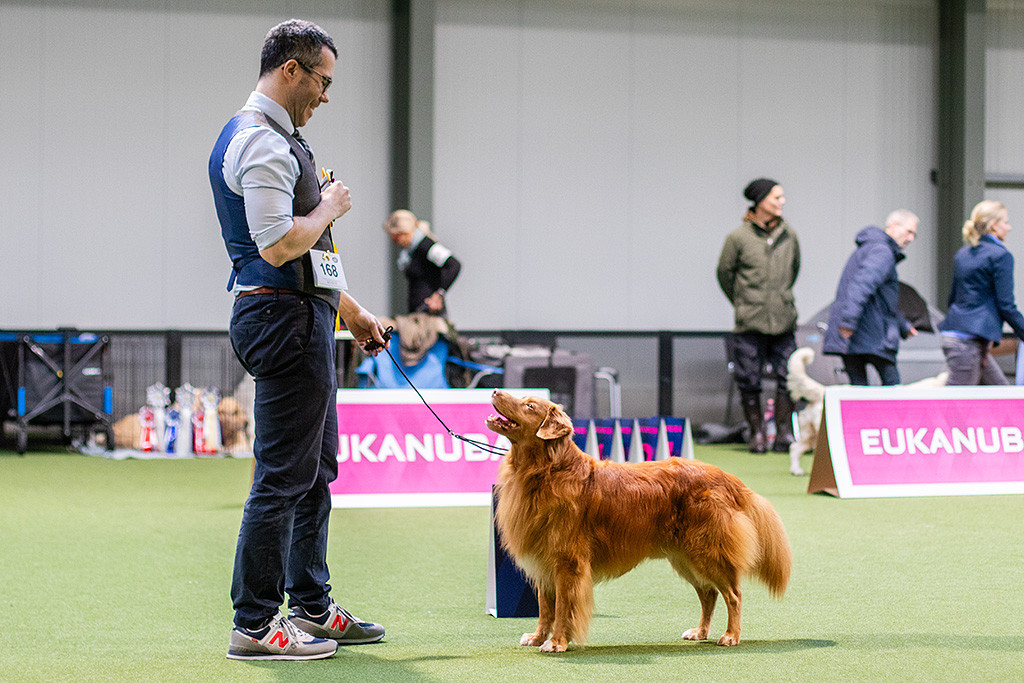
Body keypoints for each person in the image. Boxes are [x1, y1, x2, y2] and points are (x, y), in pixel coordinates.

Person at [209, 19, 389, 661]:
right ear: (291, 70)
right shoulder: (261, 142)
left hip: (302, 315)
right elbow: (280, 244)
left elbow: (306, 258)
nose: (326, 94)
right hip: (281, 320)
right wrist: (330, 207)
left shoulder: (280, 139)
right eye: (322, 79)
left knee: (314, 470)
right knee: (284, 475)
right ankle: (255, 625)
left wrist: (352, 312)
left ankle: (311, 607)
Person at [717, 178, 800, 454]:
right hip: (749, 323)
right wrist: (743, 302)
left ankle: (783, 433)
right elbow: (724, 274)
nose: (782, 202)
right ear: (761, 201)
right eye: (776, 197)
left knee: (788, 376)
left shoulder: (790, 235)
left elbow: (794, 270)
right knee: (748, 379)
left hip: (784, 321)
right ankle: (757, 433)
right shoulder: (738, 238)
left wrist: (780, 300)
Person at [822, 210, 919, 385]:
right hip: (871, 336)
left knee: (859, 391)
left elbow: (881, 300)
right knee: (893, 389)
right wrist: (848, 321)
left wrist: (902, 324)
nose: (911, 238)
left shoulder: (871, 248)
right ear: (893, 226)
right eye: (909, 232)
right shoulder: (882, 252)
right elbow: (862, 286)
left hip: (858, 335)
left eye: (914, 234)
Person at [938, 200, 1024, 385]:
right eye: (1005, 222)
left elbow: (953, 298)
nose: (1008, 227)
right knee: (957, 400)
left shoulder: (963, 254)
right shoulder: (1000, 256)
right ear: (994, 225)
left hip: (965, 337)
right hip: (967, 343)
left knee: (1001, 394)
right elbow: (1006, 305)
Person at [383, 209, 461, 315]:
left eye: (396, 237)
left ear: (405, 232)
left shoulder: (426, 245)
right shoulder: (411, 251)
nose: (395, 242)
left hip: (430, 315)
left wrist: (439, 295)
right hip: (418, 313)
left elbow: (454, 265)